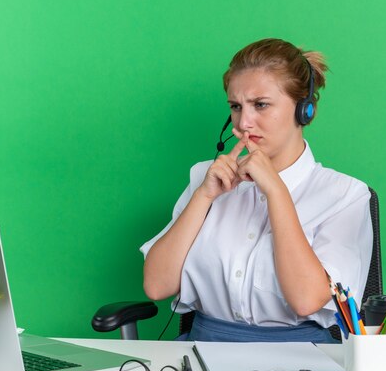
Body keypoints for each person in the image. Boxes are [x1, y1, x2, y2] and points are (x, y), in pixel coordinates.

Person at [141, 38, 373, 343]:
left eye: (260, 105)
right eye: (236, 107)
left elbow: (306, 299)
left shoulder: (345, 195)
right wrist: (204, 197)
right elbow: (157, 286)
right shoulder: (205, 177)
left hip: (301, 363)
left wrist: (276, 192)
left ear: (304, 110)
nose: (244, 122)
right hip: (202, 354)